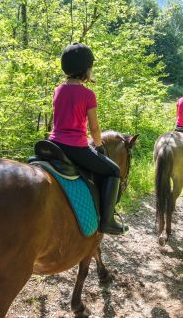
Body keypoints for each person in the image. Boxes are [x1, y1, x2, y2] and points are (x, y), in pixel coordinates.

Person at [48, 43, 127, 235]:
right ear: (86, 69)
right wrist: (98, 146)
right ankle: (108, 221)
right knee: (114, 170)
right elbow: (95, 127)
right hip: (75, 147)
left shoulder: (58, 90)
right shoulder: (88, 94)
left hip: (52, 144)